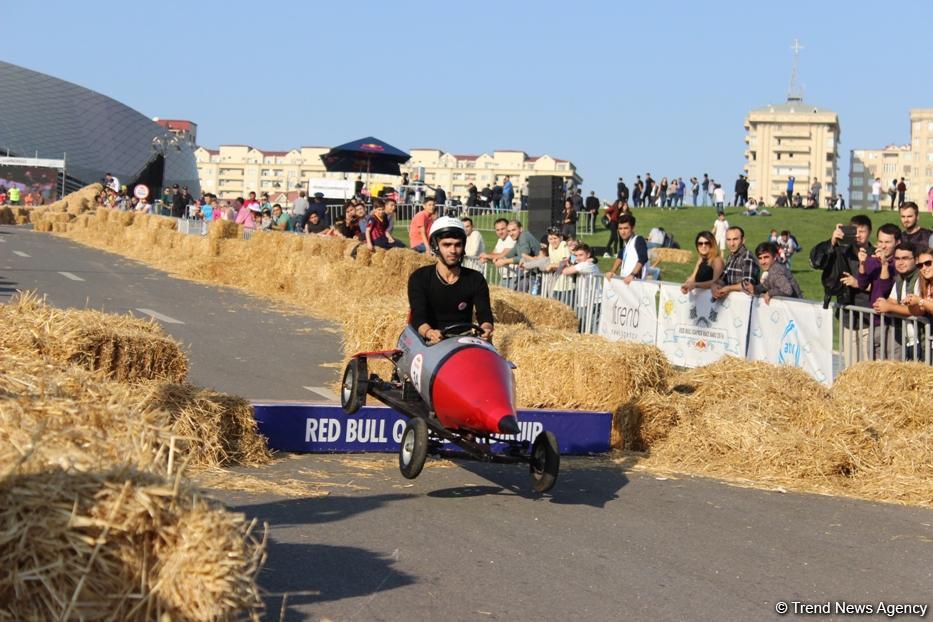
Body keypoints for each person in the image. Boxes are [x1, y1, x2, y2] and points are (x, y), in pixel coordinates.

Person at [408, 216, 494, 344]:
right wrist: (429, 332)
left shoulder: (475, 279)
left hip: (464, 340)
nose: (453, 250)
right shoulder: (420, 277)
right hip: (428, 342)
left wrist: (486, 329)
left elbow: (484, 313)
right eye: (447, 245)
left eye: (458, 245)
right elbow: (418, 316)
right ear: (435, 246)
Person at [872, 244, 921, 359]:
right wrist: (884, 304)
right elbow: (891, 300)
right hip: (908, 340)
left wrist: (889, 308)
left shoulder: (920, 277)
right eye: (897, 258)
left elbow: (917, 310)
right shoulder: (900, 278)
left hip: (923, 340)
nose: (900, 262)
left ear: (916, 260)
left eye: (905, 258)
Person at [711, 226, 759, 301]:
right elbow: (723, 278)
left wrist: (729, 288)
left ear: (743, 240)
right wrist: (715, 285)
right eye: (728, 240)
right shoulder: (730, 257)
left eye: (735, 239)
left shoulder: (747, 256)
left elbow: (748, 284)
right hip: (733, 305)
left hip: (746, 304)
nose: (731, 243)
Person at [605, 214, 648, 283]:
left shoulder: (638, 240)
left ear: (633, 228)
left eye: (626, 228)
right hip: (626, 284)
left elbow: (643, 258)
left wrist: (632, 275)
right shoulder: (626, 245)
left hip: (636, 284)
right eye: (620, 228)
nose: (622, 232)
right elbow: (620, 257)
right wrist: (612, 272)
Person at [480, 218, 516, 285]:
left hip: (515, 277)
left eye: (503, 229)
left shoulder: (511, 238)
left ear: (508, 228)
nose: (500, 232)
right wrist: (486, 258)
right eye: (498, 230)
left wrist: (486, 255)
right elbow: (494, 253)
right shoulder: (500, 240)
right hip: (504, 277)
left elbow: (503, 255)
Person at [904, 249, 933, 317]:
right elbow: (919, 312)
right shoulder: (926, 285)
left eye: (928, 263)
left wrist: (919, 301)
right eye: (920, 265)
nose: (924, 268)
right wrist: (911, 304)